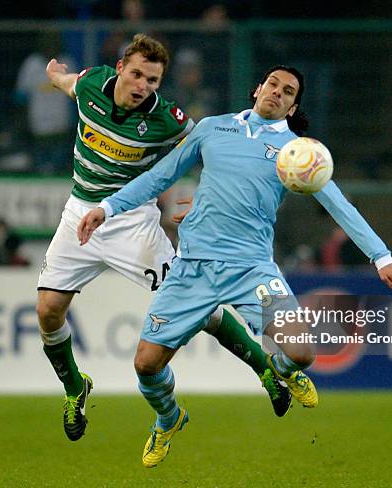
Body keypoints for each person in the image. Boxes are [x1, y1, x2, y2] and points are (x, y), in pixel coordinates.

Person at [77, 65, 392, 467]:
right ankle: (169, 418)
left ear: (294, 107)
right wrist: (108, 207)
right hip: (193, 268)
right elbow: (159, 176)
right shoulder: (212, 129)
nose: (278, 92)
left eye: (288, 91)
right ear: (258, 88)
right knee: (146, 365)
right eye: (273, 84)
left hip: (252, 270)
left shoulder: (299, 154)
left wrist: (382, 258)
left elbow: (338, 205)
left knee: (302, 351)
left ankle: (280, 370)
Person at [38, 34, 298, 443]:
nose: (143, 86)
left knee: (200, 306)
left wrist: (208, 198)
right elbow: (68, 82)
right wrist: (55, 75)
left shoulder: (169, 119)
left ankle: (265, 368)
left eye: (154, 80)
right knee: (48, 311)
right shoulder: (90, 85)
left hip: (132, 224)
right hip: (80, 213)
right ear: (121, 68)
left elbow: (214, 150)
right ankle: (76, 389)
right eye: (138, 74)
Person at [15, 32, 76, 174]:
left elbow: (76, 96)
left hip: (61, 126)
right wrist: (24, 122)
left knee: (59, 171)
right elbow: (21, 97)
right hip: (38, 127)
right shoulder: (31, 64)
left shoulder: (67, 63)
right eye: (47, 41)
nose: (50, 46)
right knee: (39, 171)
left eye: (54, 42)